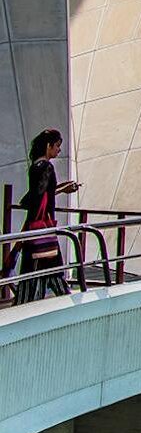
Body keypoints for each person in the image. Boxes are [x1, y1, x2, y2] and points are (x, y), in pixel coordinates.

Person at [9, 129, 80, 303]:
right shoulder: (47, 167)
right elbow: (41, 196)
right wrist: (65, 189)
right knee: (49, 267)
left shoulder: (35, 167)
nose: (58, 150)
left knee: (37, 270)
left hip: (36, 226)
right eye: (57, 146)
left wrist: (62, 187)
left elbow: (35, 194)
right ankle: (66, 303)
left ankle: (27, 301)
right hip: (43, 227)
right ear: (48, 146)